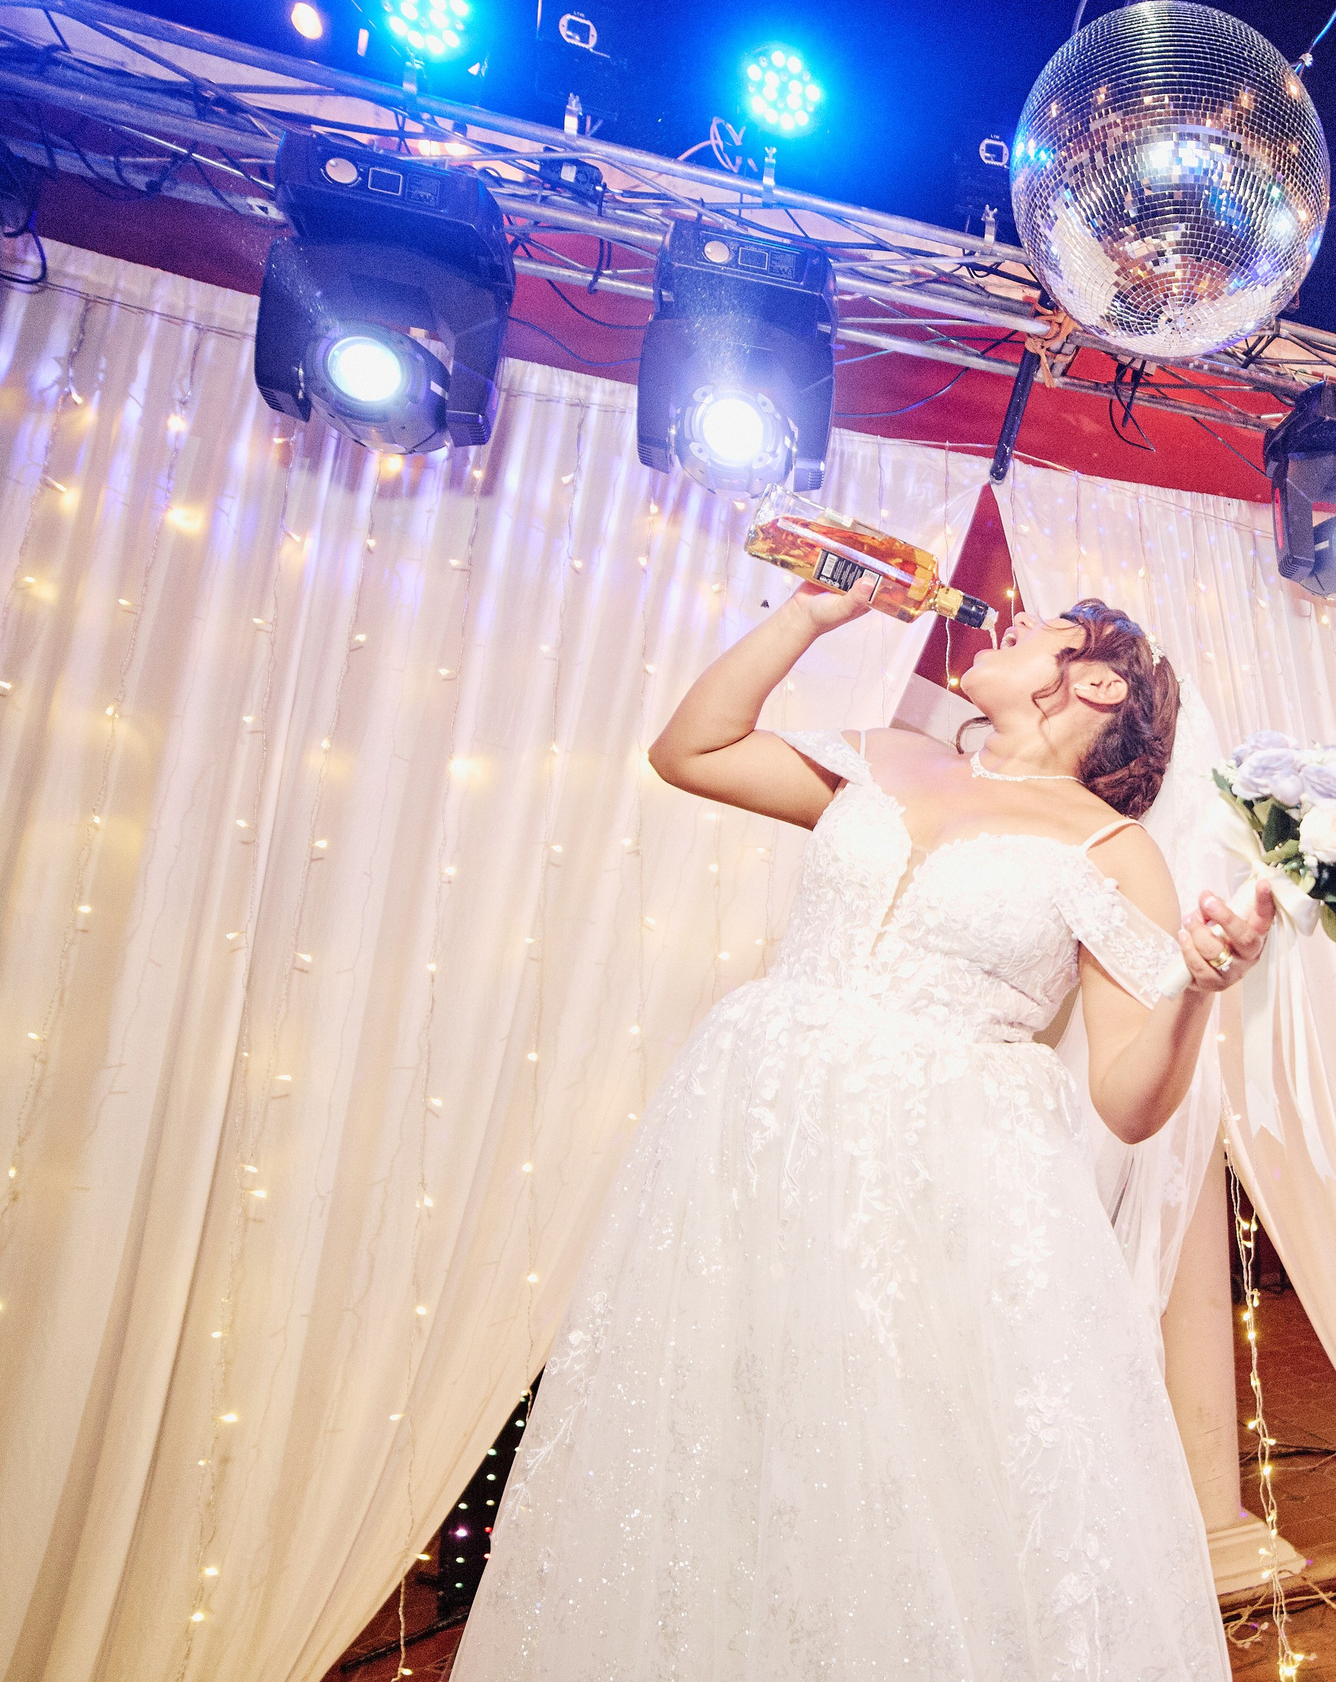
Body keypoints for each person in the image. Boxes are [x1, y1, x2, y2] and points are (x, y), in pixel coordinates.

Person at [450, 572, 1270, 1681]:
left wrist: (1198, 991)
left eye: (1038, 626)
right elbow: (687, 750)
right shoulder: (888, 754)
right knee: (732, 1417)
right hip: (757, 1124)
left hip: (941, 1174)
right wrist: (808, 618)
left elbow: (1128, 1100)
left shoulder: (1109, 850)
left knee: (898, 1452)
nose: (1004, 618)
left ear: (1095, 679)